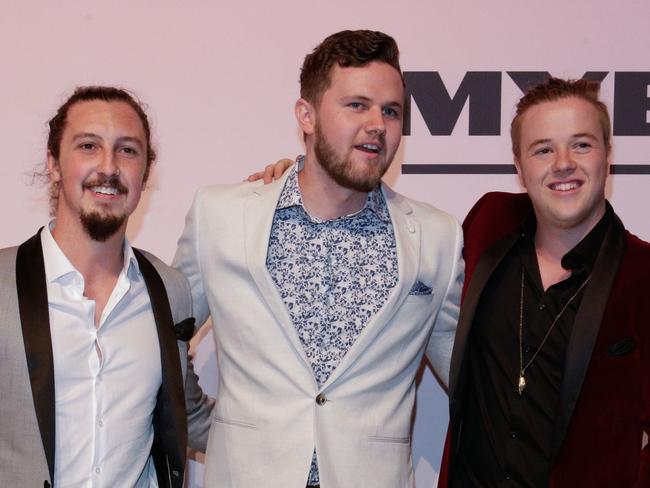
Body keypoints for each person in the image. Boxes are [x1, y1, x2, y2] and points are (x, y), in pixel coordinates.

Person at [173, 30, 463, 488]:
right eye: (357, 105)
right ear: (305, 115)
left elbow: (473, 380)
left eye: (391, 111)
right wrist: (216, 431)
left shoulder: (437, 237)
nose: (377, 124)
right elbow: (166, 340)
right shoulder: (221, 216)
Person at [439, 78, 650, 487]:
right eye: (543, 149)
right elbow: (406, 237)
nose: (563, 163)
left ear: (608, 155)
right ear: (519, 165)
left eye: (582, 144)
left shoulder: (643, 275)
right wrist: (307, 178)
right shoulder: (489, 222)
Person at [0, 86, 213, 488]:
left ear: (145, 171)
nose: (109, 166)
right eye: (88, 146)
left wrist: (286, 185)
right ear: (54, 163)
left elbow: (192, 417)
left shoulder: (170, 288)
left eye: (128, 150)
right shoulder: (1, 282)